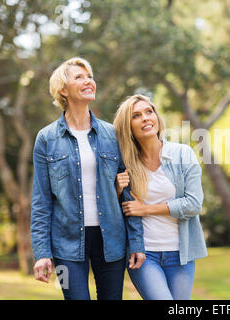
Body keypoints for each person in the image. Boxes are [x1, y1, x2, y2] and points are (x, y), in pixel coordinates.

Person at [30, 57, 146, 300]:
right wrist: (42, 252)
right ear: (63, 89)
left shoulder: (113, 134)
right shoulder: (46, 138)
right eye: (79, 77)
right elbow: (41, 201)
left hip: (111, 240)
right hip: (64, 245)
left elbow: (129, 193)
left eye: (90, 77)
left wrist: (136, 242)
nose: (88, 81)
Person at [113, 94, 207, 300]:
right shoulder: (124, 165)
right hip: (144, 255)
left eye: (149, 112)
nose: (146, 118)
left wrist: (146, 209)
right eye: (136, 116)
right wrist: (117, 193)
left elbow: (193, 204)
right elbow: (113, 214)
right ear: (128, 126)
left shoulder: (183, 154)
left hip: (180, 254)